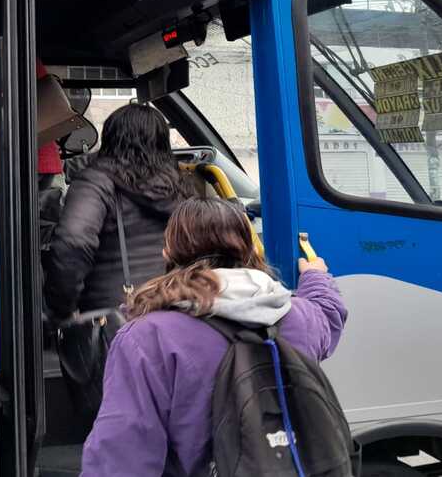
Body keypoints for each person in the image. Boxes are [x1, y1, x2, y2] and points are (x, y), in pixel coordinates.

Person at [82, 197, 348, 476]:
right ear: (248, 248)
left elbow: (122, 457)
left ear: (168, 253)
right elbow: (329, 313)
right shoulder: (299, 316)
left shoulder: (147, 338)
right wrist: (317, 276)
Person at [43, 103, 194, 319]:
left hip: (115, 317)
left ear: (110, 137)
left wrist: (61, 309)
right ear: (162, 142)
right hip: (172, 309)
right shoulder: (180, 186)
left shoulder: (96, 182)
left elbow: (73, 242)